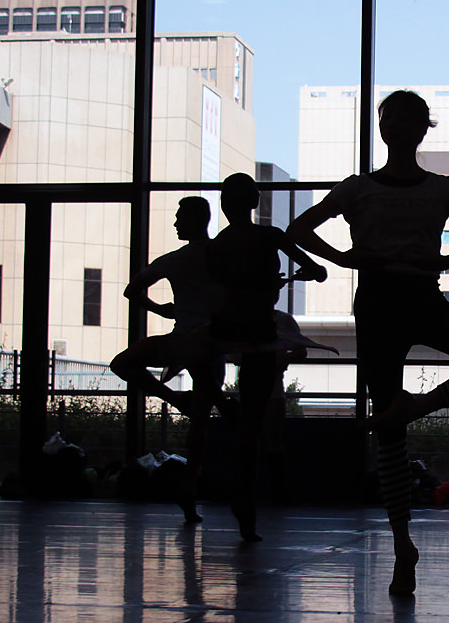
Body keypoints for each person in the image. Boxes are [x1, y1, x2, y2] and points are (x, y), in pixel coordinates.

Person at [286, 90, 449, 594]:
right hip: (378, 304)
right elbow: (299, 228)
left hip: (420, 298)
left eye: (406, 116)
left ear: (423, 128)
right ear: (381, 127)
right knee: (390, 434)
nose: (395, 123)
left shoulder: (442, 188)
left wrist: (441, 264)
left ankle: (414, 409)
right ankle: (402, 545)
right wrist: (348, 260)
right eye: (387, 116)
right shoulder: (358, 188)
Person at [206, 172, 328, 541]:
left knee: (237, 414)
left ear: (224, 205)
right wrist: (285, 279)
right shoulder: (270, 237)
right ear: (255, 203)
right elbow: (318, 271)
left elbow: (219, 290)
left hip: (225, 331)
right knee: (255, 422)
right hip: (259, 333)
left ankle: (225, 410)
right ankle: (247, 505)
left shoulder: (218, 246)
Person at [110, 196, 228, 523]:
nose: (176, 223)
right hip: (210, 345)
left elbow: (133, 291)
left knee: (123, 363)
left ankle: (176, 400)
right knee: (201, 422)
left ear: (193, 219)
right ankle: (189, 489)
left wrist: (160, 309)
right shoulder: (221, 256)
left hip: (181, 341)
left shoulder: (175, 260)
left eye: (179, 217)